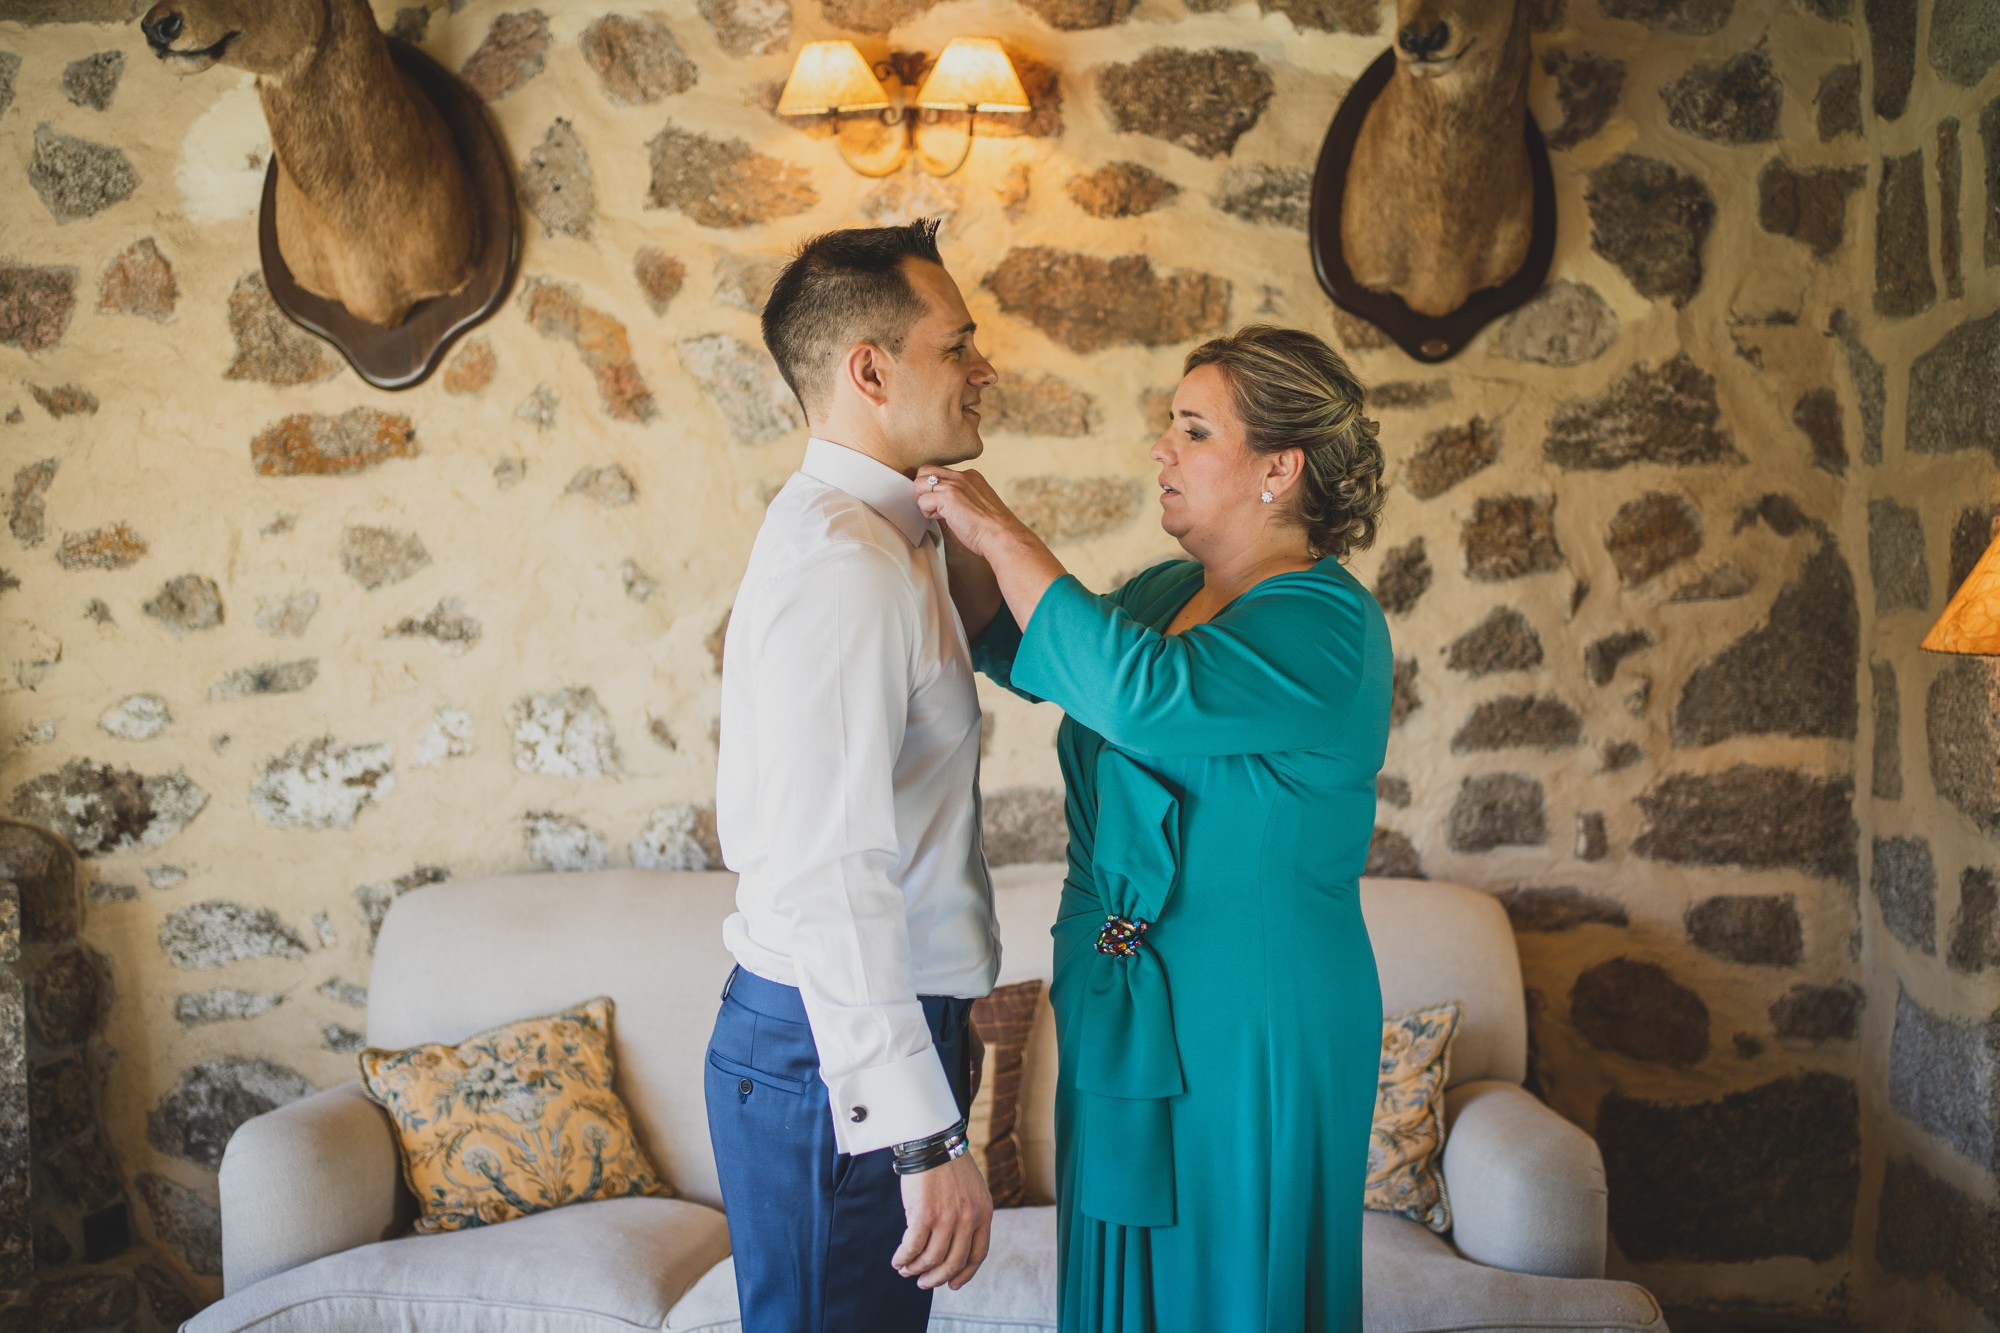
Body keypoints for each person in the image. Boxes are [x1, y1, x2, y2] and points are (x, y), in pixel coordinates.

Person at [916, 324, 1393, 1332]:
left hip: (1253, 1016)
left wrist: (1002, 529)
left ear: (1278, 468)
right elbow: (1024, 641)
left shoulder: (1326, 626)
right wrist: (914, 497)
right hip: (1116, 1003)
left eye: (1191, 429)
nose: (1159, 449)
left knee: (1227, 1282)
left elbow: (1138, 694)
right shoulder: (1165, 592)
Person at [706, 218, 1001, 1332]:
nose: (985, 369)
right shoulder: (845, 564)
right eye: (957, 344)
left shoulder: (896, 536)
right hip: (832, 1049)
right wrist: (918, 1134)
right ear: (867, 369)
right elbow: (830, 869)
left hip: (884, 1022)